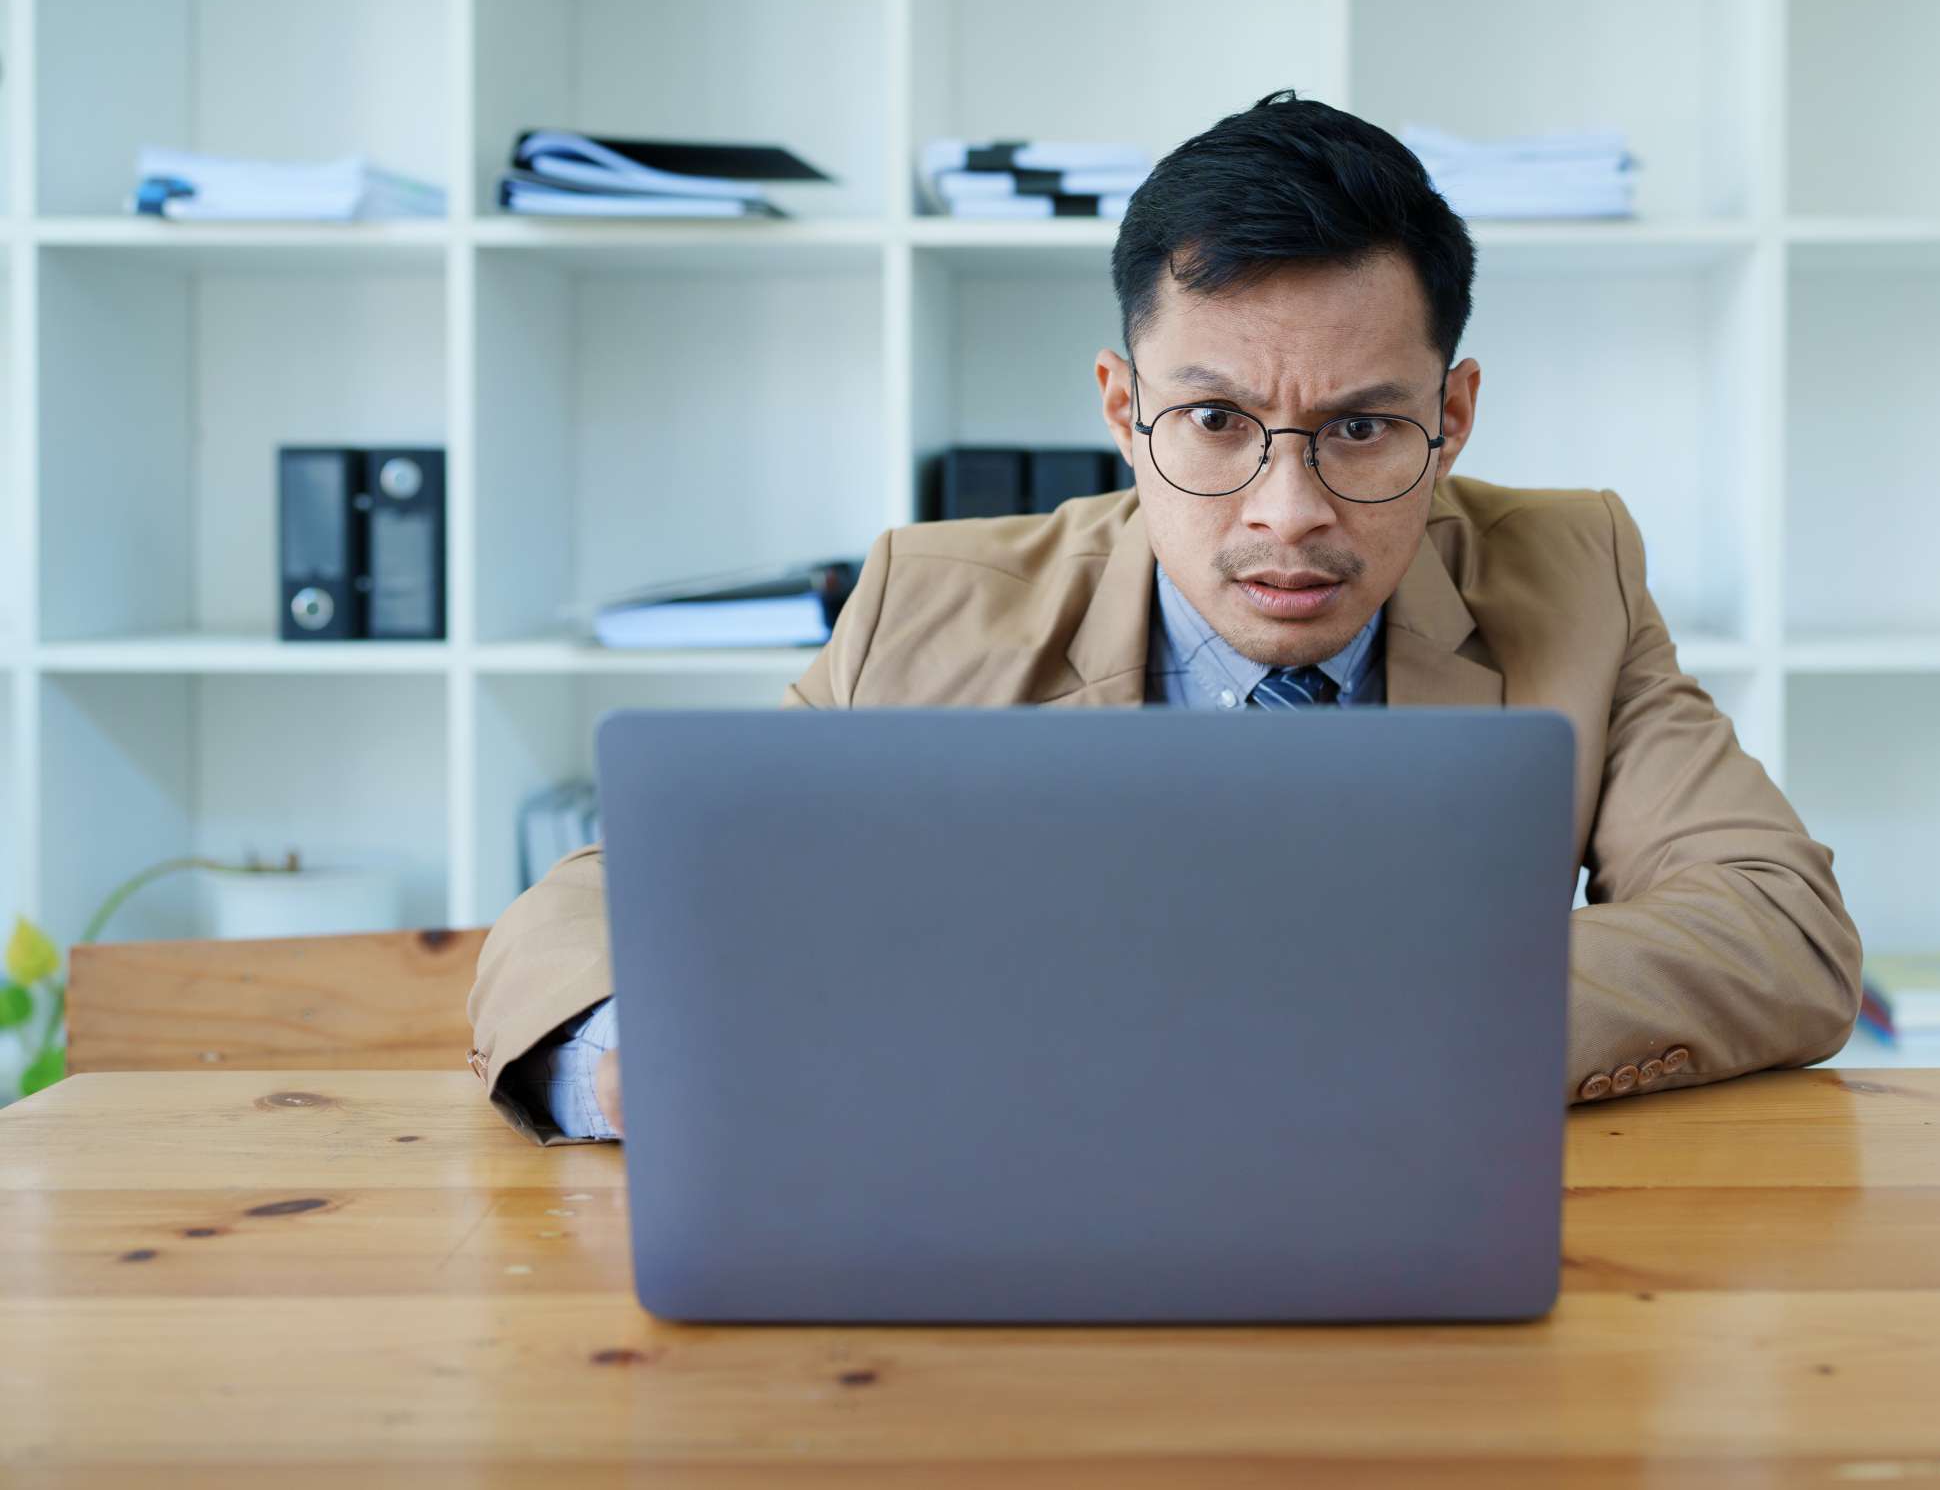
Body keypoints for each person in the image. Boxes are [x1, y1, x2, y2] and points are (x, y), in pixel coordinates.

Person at [466, 90, 1861, 1144]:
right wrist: (618, 1060)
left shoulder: (1572, 572)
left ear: (1454, 414)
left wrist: (1309, 1014)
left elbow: (1776, 931)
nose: (1287, 512)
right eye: (1215, 421)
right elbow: (594, 905)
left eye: (1365, 428)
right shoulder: (927, 608)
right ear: (1124, 416)